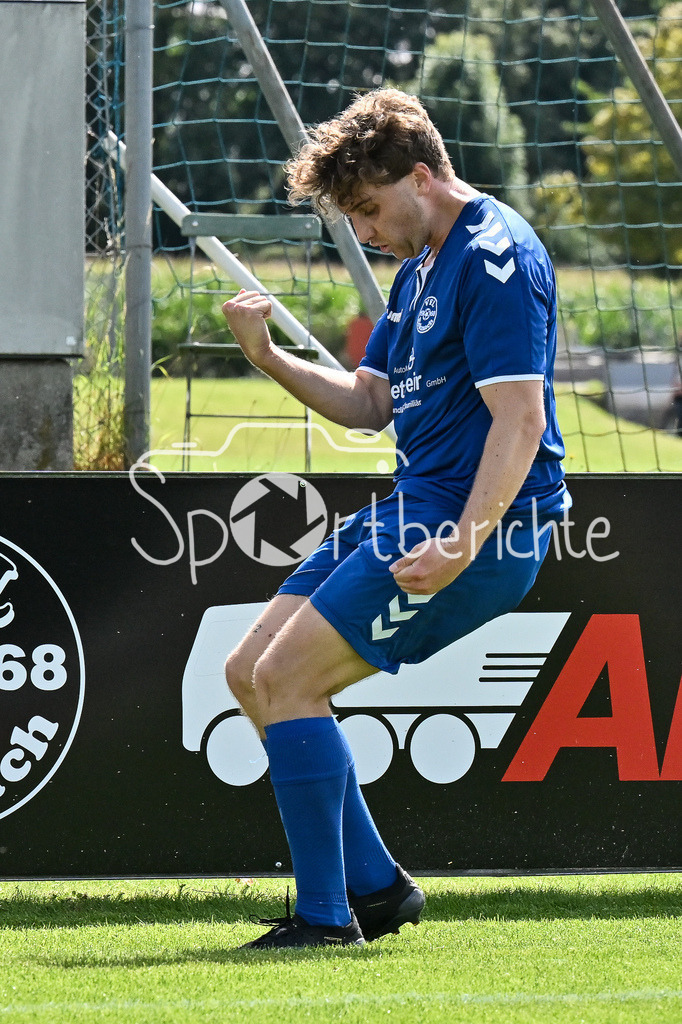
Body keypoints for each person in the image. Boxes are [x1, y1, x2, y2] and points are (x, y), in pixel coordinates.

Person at [221, 88, 570, 949]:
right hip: (417, 507)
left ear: (422, 175)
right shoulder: (417, 270)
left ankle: (325, 917)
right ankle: (376, 889)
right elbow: (371, 400)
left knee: (290, 682)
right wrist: (268, 358)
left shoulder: (494, 256)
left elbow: (520, 422)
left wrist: (463, 542)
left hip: (475, 527)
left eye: (371, 210)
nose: (367, 231)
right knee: (248, 670)